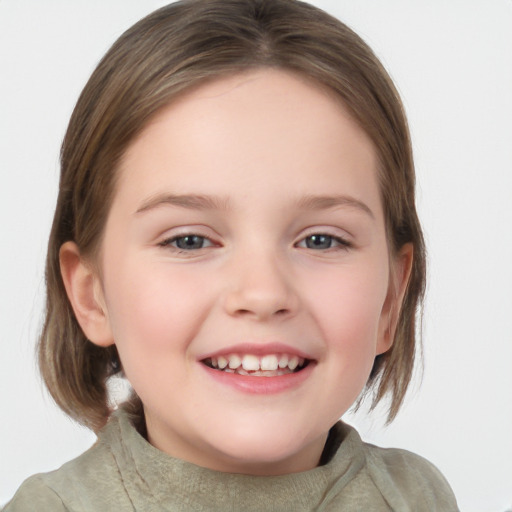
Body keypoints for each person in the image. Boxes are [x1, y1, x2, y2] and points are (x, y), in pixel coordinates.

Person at [4, 0, 459, 510]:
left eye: (321, 240)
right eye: (189, 240)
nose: (263, 294)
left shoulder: (417, 496)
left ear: (390, 299)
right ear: (92, 296)